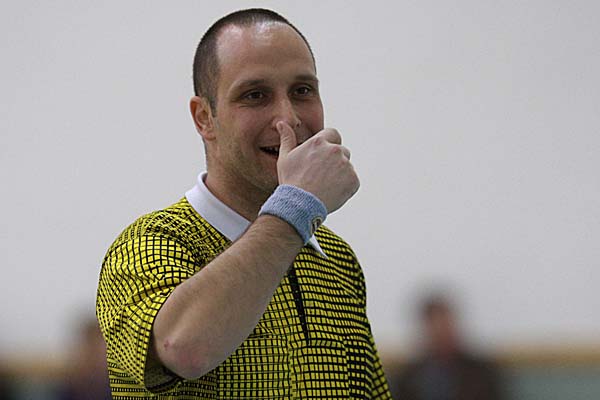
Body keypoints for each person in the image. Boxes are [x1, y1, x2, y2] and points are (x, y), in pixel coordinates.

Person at [96, 8, 392, 399]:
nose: (288, 118)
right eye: (255, 95)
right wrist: (296, 207)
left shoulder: (338, 261)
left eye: (302, 91)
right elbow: (184, 349)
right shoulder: (146, 245)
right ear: (204, 118)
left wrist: (297, 214)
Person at [392, 295, 503, 400]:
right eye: (435, 330)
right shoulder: (408, 379)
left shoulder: (482, 373)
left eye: (445, 327)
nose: (441, 334)